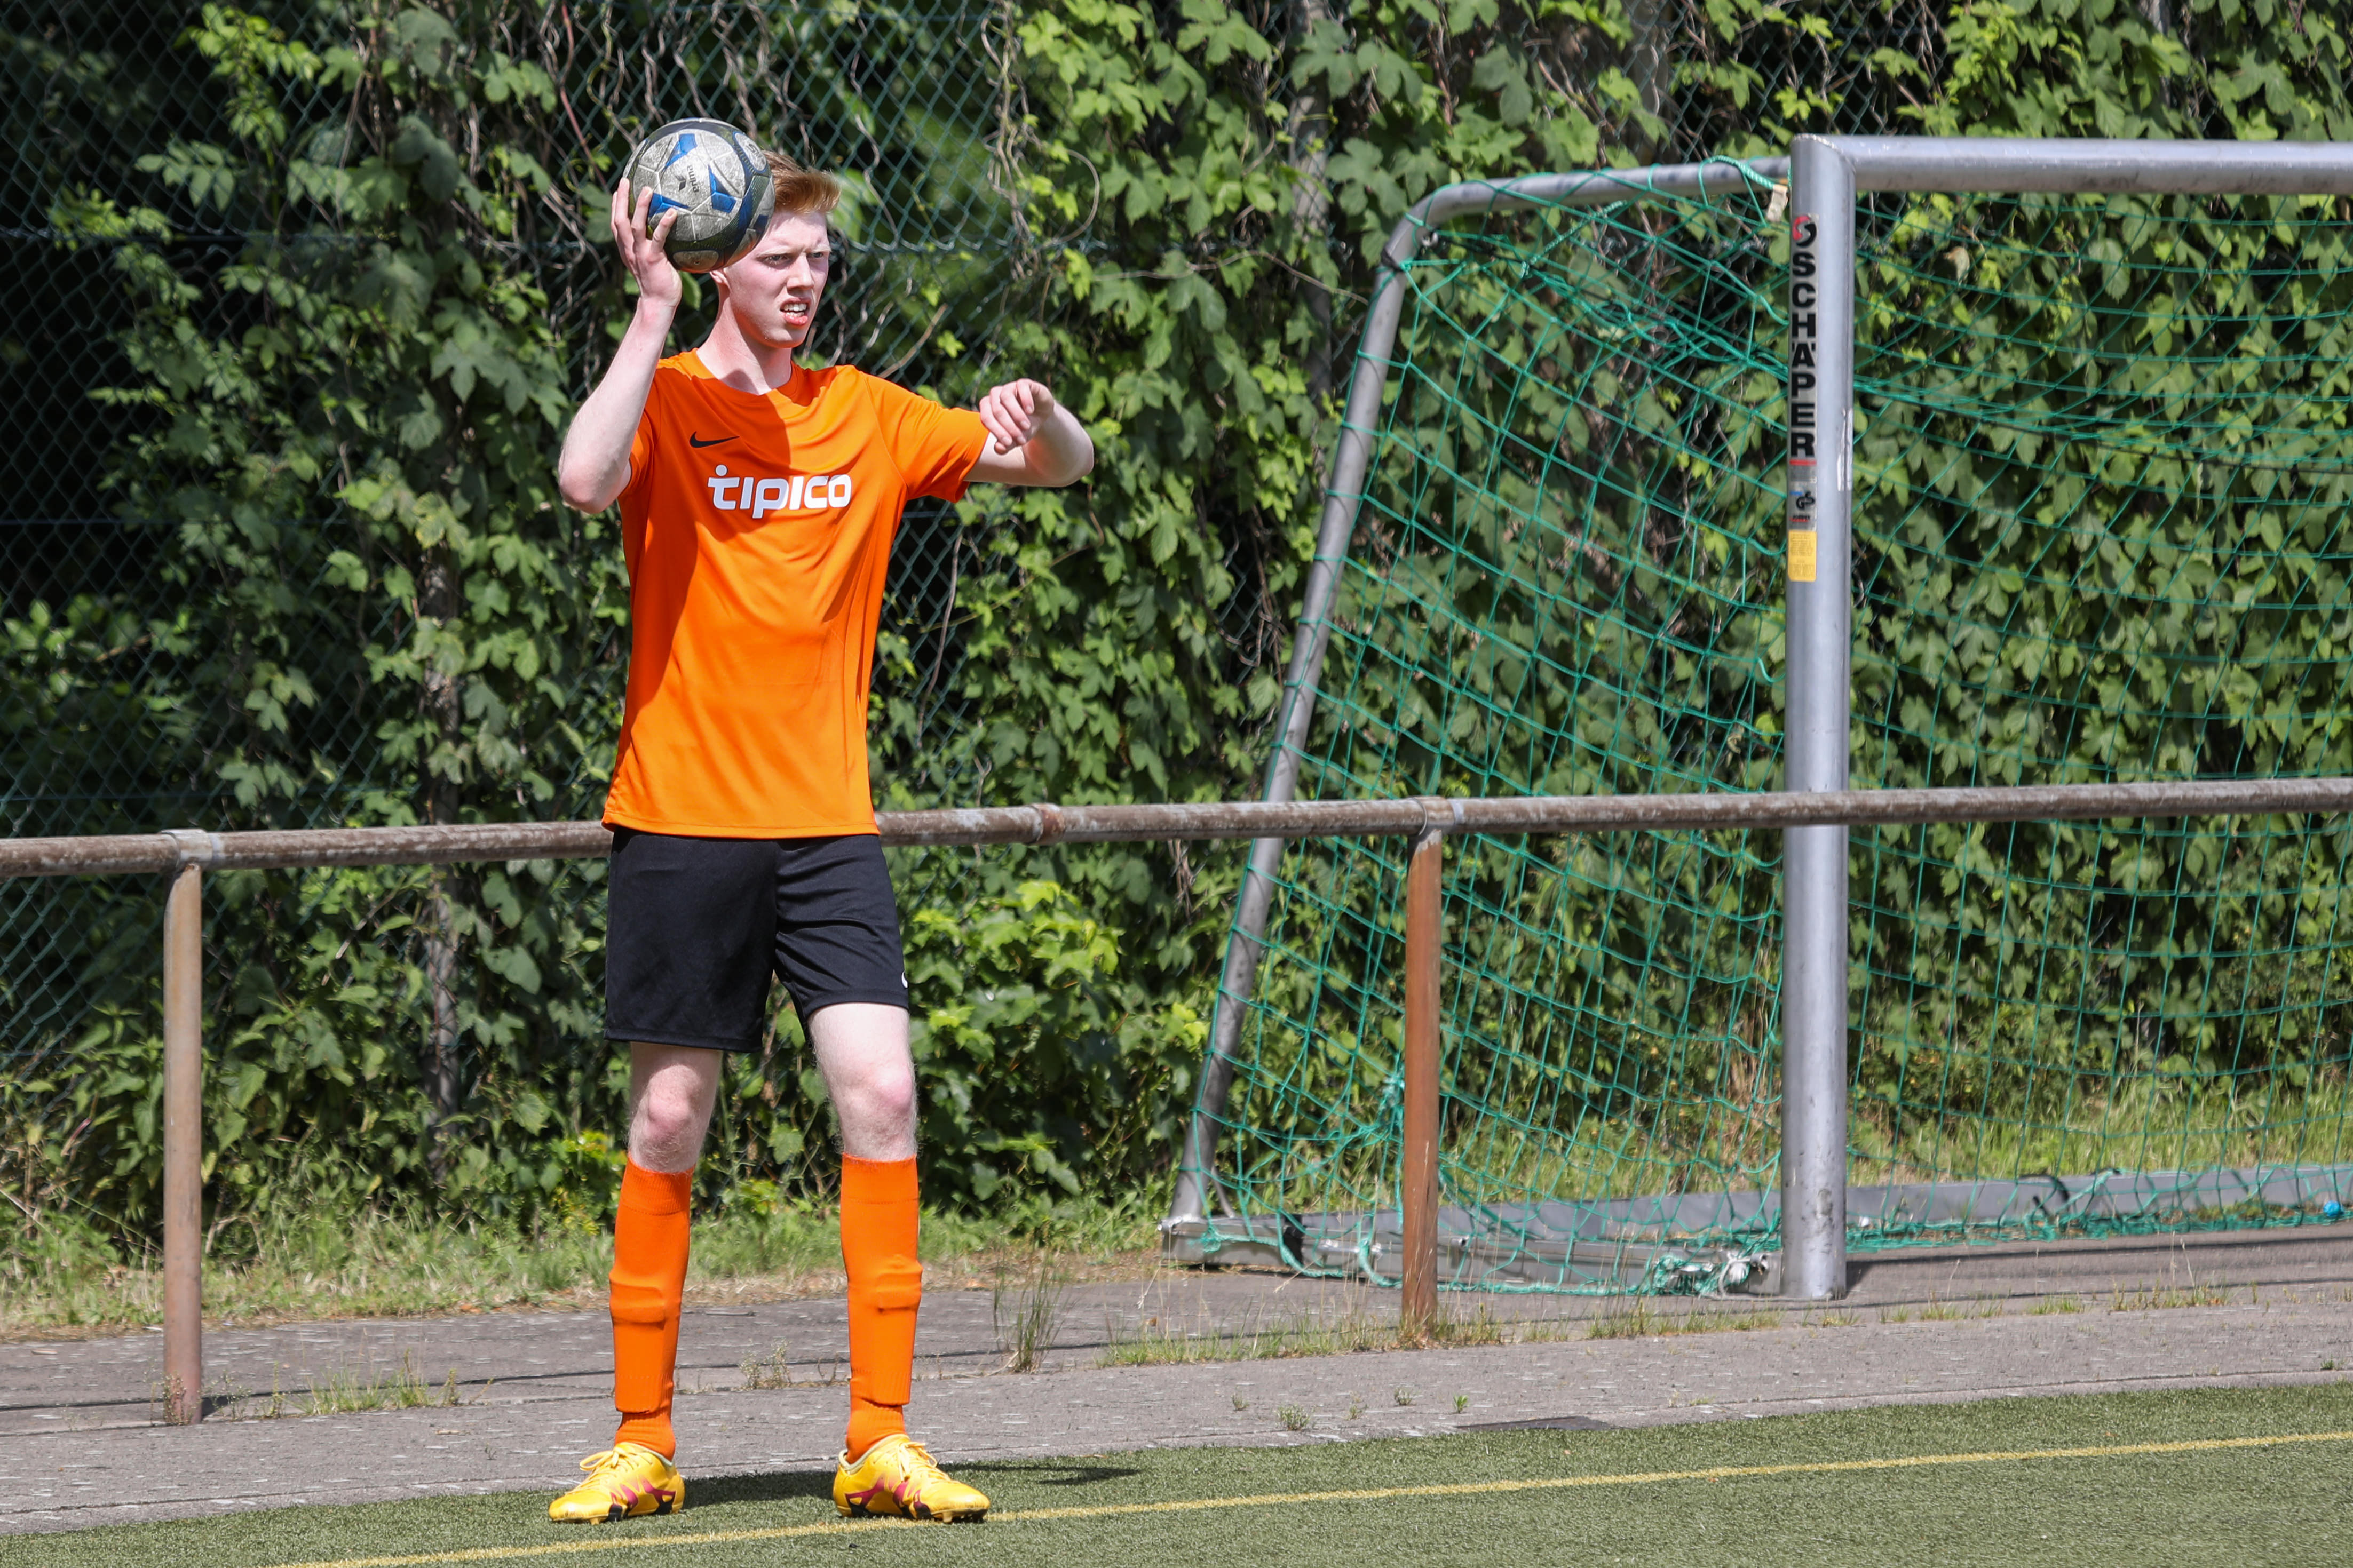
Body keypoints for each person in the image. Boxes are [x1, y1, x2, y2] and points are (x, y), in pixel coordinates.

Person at [546, 150, 1093, 1525]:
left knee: (885, 1096)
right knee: (669, 1118)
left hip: (827, 830)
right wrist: (650, 309)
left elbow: (1060, 468)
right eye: (781, 259)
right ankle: (640, 1442)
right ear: (722, 260)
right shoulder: (670, 400)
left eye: (820, 263)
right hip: (681, 817)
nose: (806, 281)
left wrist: (1045, 414)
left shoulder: (868, 415)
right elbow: (582, 478)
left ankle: (879, 1441)